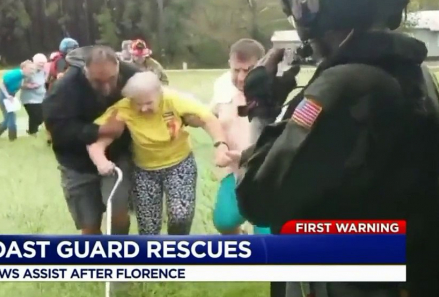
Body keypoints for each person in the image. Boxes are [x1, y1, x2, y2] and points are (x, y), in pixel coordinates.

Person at [232, 0, 439, 297]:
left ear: (311, 0)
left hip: (357, 292)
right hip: (415, 276)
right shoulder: (414, 72)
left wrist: (263, 110)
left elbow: (259, 196)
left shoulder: (345, 84)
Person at [87, 71, 231, 235]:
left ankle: (176, 249)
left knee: (180, 216)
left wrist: (220, 145)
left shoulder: (174, 100)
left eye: (148, 102)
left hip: (179, 164)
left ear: (160, 94)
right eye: (138, 103)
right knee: (149, 228)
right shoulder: (123, 108)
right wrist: (100, 161)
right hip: (144, 170)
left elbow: (208, 119)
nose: (143, 108)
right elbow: (96, 140)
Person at [42, 46, 140, 235]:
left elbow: (158, 101)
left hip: (117, 156)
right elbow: (59, 131)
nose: (106, 88)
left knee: (117, 211)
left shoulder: (134, 76)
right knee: (89, 225)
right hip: (76, 162)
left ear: (118, 67)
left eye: (111, 80)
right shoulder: (65, 88)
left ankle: (120, 255)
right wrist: (101, 130)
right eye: (97, 82)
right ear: (85, 72)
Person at [210, 39, 271, 235]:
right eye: (236, 70)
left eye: (249, 70)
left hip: (267, 174)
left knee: (266, 236)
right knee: (224, 222)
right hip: (235, 171)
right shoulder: (222, 86)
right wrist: (220, 145)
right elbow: (209, 117)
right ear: (229, 64)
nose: (242, 77)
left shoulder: (275, 88)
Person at [0, 61, 35, 142]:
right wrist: (7, 95)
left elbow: (16, 85)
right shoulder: (15, 74)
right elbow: (1, 84)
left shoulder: (23, 76)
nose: (32, 70)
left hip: (10, 96)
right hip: (4, 96)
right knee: (10, 119)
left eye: (33, 69)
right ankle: (11, 138)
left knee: (9, 118)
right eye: (30, 68)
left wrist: (27, 86)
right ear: (24, 68)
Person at [21, 53, 48, 136]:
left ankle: (32, 131)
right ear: (35, 62)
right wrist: (30, 86)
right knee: (37, 116)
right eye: (40, 63)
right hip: (29, 98)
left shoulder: (43, 71)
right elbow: (21, 84)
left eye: (43, 63)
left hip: (40, 98)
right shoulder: (30, 71)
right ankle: (32, 132)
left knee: (38, 116)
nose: (42, 65)